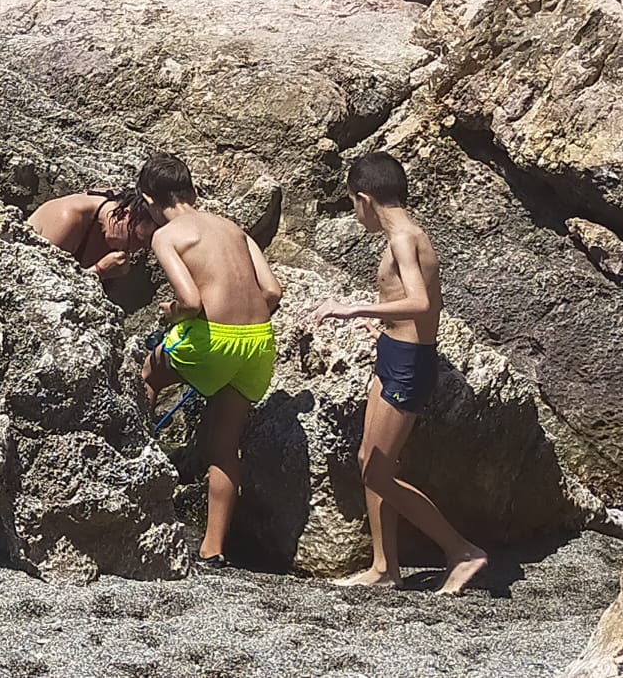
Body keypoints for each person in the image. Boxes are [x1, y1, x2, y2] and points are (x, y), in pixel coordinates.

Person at [315, 152, 489, 595]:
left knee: (376, 473)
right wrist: (381, 322)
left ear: (364, 199)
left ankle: (462, 551)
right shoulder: (405, 236)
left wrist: (353, 307)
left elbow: (422, 303)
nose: (357, 215)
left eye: (355, 206)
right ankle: (383, 568)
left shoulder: (403, 239)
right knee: (369, 462)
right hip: (393, 352)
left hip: (409, 363)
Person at [138, 153, 283, 569]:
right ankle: (213, 548)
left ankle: (139, 476)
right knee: (225, 444)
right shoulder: (236, 230)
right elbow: (272, 292)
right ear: (192, 191)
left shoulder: (167, 236)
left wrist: (172, 314)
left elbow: (189, 300)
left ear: (149, 199)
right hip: (257, 343)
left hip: (212, 338)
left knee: (146, 378)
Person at [28, 169, 160, 278]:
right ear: (124, 214)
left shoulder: (113, 211)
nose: (135, 249)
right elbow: (42, 282)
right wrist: (99, 271)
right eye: (137, 238)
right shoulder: (67, 220)